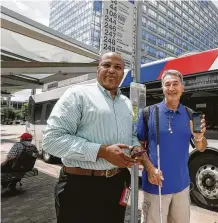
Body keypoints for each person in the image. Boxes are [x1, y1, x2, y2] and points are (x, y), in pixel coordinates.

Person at [43, 52, 142, 223]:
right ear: (98, 69)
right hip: (79, 186)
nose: (112, 70)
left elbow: (131, 135)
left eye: (118, 67)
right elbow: (51, 140)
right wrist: (102, 151)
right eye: (106, 65)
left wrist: (135, 147)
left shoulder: (127, 103)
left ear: (123, 73)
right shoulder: (77, 95)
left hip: (117, 183)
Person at [137, 69, 208, 223]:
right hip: (155, 186)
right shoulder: (148, 113)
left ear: (182, 87)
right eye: (167, 84)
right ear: (162, 88)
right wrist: (149, 169)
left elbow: (201, 147)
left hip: (182, 186)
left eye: (175, 84)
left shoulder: (189, 114)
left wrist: (199, 137)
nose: (171, 88)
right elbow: (138, 146)